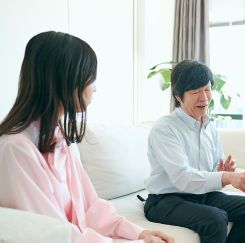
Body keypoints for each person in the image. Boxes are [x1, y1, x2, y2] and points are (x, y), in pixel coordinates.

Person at [0, 31, 174, 243]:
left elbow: (89, 206)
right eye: (91, 78)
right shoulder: (16, 149)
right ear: (66, 79)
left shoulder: (60, 139)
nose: (95, 88)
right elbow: (51, 235)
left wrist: (138, 232)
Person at [143, 59, 245, 243]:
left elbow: (209, 176)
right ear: (178, 97)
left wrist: (221, 171)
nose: (204, 98)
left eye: (207, 89)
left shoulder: (209, 127)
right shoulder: (165, 128)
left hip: (201, 195)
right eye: (195, 92)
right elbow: (183, 178)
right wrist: (226, 177)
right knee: (215, 219)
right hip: (165, 200)